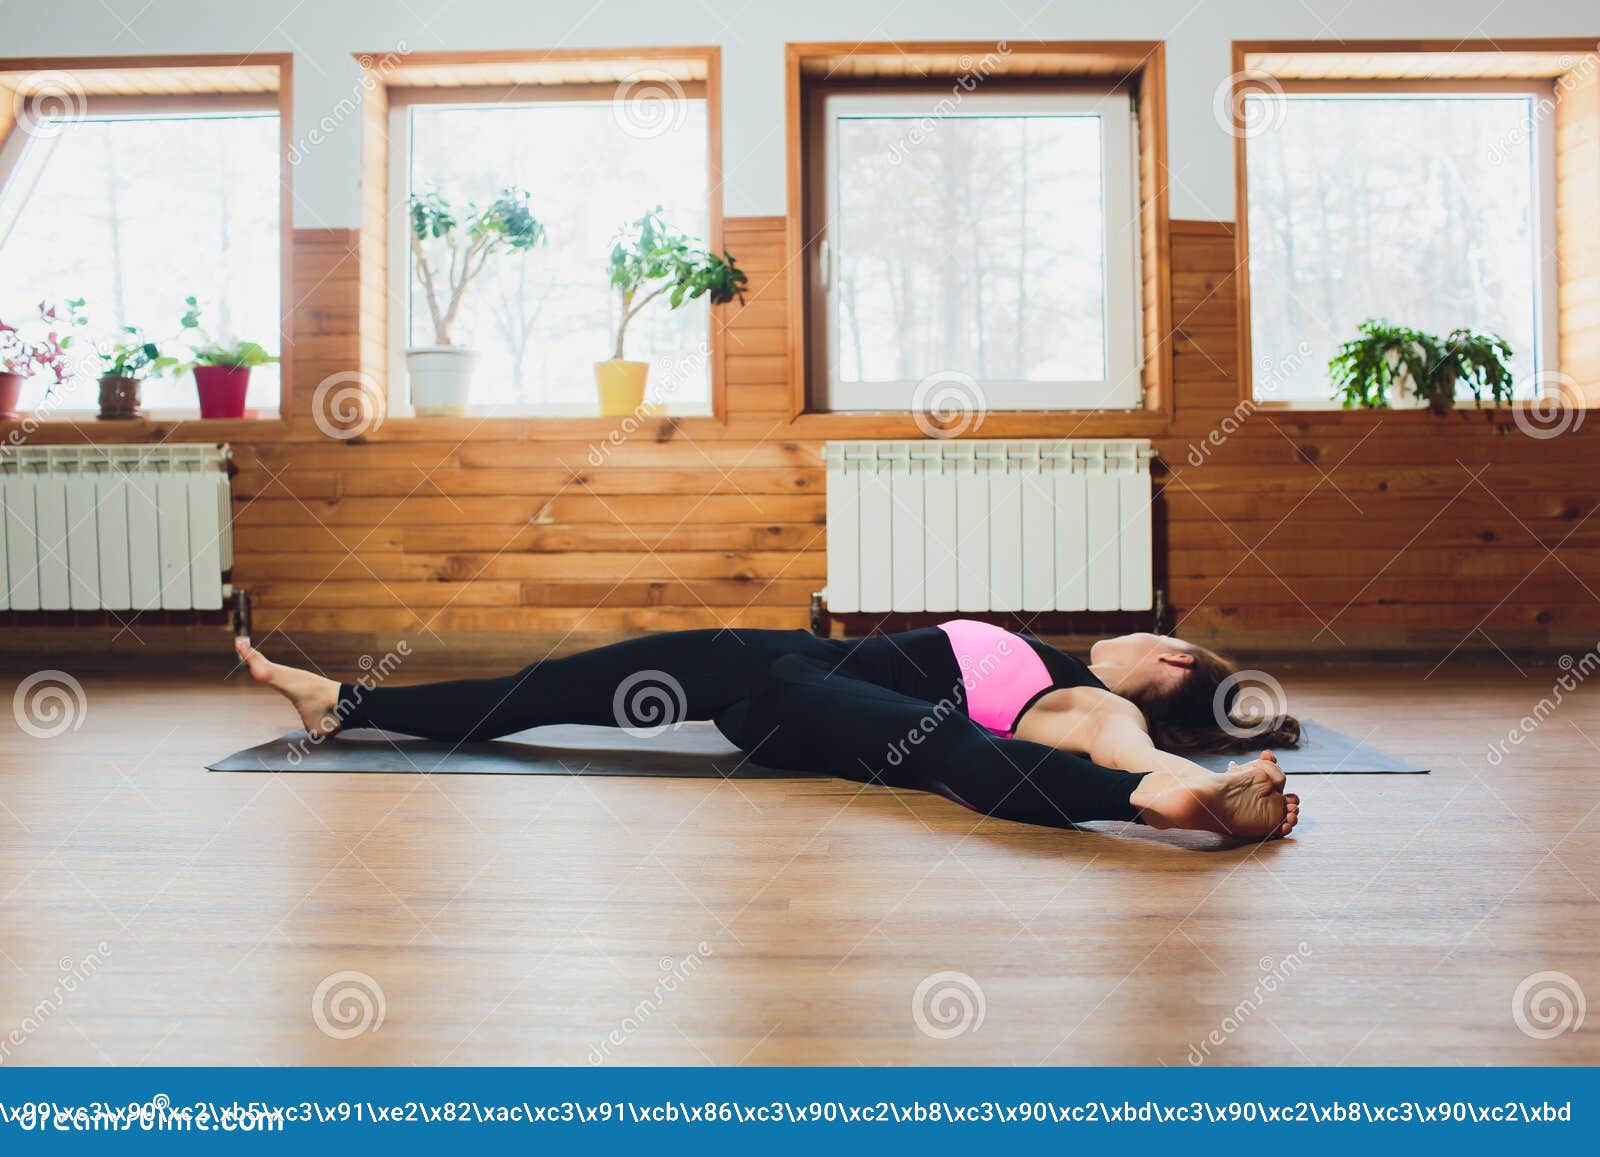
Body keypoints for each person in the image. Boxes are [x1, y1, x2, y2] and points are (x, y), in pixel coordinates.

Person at [235, 620, 1300, 840]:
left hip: (806, 691)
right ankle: (349, 704)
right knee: (552, 684)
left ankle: (1162, 812)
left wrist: (1159, 772)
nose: (1130, 632)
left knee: (941, 752)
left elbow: (1114, 734)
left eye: (1149, 633)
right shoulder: (1054, 666)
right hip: (763, 676)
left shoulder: (1091, 694)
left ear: (1166, 659)